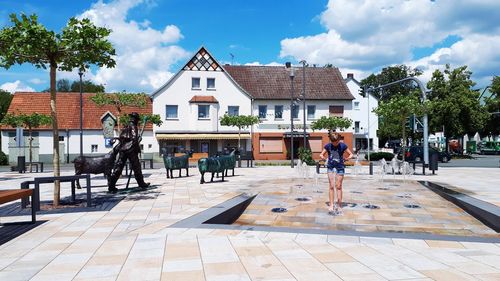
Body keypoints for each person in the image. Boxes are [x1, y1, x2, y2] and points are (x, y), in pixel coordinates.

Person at [107, 112, 150, 193]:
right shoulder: (134, 127)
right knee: (136, 167)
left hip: (123, 149)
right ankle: (141, 183)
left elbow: (122, 138)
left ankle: (111, 185)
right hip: (131, 150)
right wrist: (137, 142)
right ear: (136, 120)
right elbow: (134, 138)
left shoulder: (125, 127)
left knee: (118, 167)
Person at [319, 132, 353, 215]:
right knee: (331, 186)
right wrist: (323, 157)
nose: (335, 144)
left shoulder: (343, 146)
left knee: (339, 186)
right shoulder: (328, 146)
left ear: (339, 140)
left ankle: (339, 205)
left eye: (337, 142)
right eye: (333, 142)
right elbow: (321, 154)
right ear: (331, 140)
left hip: (340, 167)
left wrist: (347, 158)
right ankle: (331, 204)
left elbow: (351, 154)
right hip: (330, 167)